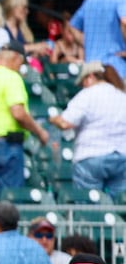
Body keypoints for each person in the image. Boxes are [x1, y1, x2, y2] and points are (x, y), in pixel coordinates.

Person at [0, 40, 51, 191]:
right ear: (16, 58)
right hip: (6, 146)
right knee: (9, 200)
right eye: (21, 63)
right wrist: (40, 132)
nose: (20, 68)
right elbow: (18, 113)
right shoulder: (11, 77)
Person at [50, 62, 126, 196]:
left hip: (91, 155)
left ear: (90, 77)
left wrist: (54, 119)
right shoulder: (122, 96)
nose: (83, 86)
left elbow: (65, 123)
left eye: (83, 82)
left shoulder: (87, 95)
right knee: (119, 207)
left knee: (89, 205)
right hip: (121, 156)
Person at [68, 0, 126, 80]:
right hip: (115, 70)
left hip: (91, 70)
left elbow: (72, 27)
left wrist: (89, 42)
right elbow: (124, 21)